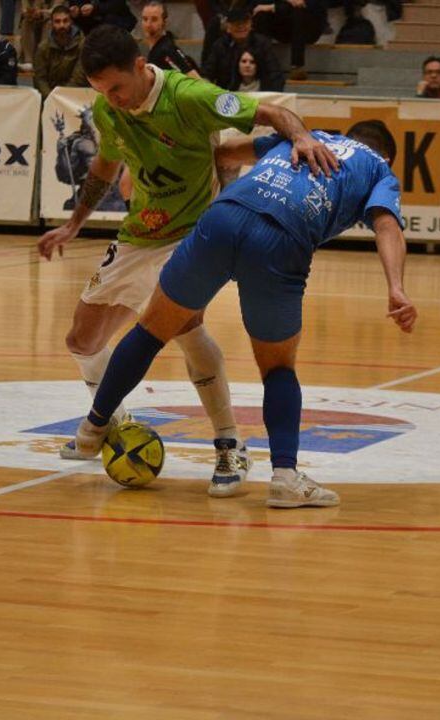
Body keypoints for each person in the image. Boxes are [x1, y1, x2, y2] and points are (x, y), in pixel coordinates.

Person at [35, 24, 338, 497]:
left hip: (197, 232)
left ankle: (230, 442)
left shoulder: (191, 96)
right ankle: (113, 420)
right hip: (140, 233)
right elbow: (104, 166)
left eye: (116, 87)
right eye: (100, 91)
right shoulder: (108, 110)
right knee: (82, 337)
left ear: (140, 66)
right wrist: (73, 224)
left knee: (183, 326)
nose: (111, 99)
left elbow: (272, 111)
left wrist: (300, 137)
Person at [70, 120, 415, 508]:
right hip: (281, 239)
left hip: (224, 216)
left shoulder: (306, 136)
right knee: (278, 368)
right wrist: (396, 287)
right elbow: (387, 226)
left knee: (151, 330)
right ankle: (285, 476)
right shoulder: (379, 169)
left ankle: (92, 426)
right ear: (386, 155)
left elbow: (226, 152)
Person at [202, 8, 284, 91]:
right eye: (236, 23)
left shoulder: (262, 43)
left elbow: (275, 74)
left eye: (244, 23)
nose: (241, 26)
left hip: (259, 94)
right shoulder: (220, 46)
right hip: (228, 96)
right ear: (228, 27)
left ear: (250, 25)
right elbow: (208, 73)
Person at [250, 0, 327, 80]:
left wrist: (273, 7)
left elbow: (306, 4)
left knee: (298, 11)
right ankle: (259, 63)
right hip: (285, 24)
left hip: (309, 27)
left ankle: (297, 66)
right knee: (261, 14)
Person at [32, 5, 86, 96]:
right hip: (49, 96)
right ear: (51, 24)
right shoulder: (43, 47)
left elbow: (79, 78)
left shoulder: (83, 45)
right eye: (57, 21)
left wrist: (61, 98)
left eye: (65, 21)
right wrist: (51, 97)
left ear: (71, 22)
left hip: (75, 95)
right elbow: (40, 79)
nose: (62, 25)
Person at [142, 1, 201, 78]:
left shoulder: (167, 50)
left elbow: (196, 80)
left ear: (164, 23)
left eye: (154, 19)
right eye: (145, 19)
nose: (148, 24)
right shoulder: (156, 49)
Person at [18, 0, 53, 71]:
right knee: (25, 22)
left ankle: (43, 59)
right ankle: (28, 61)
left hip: (49, 20)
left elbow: (56, 10)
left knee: (49, 23)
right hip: (33, 21)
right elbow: (24, 9)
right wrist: (27, 13)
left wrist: (42, 13)